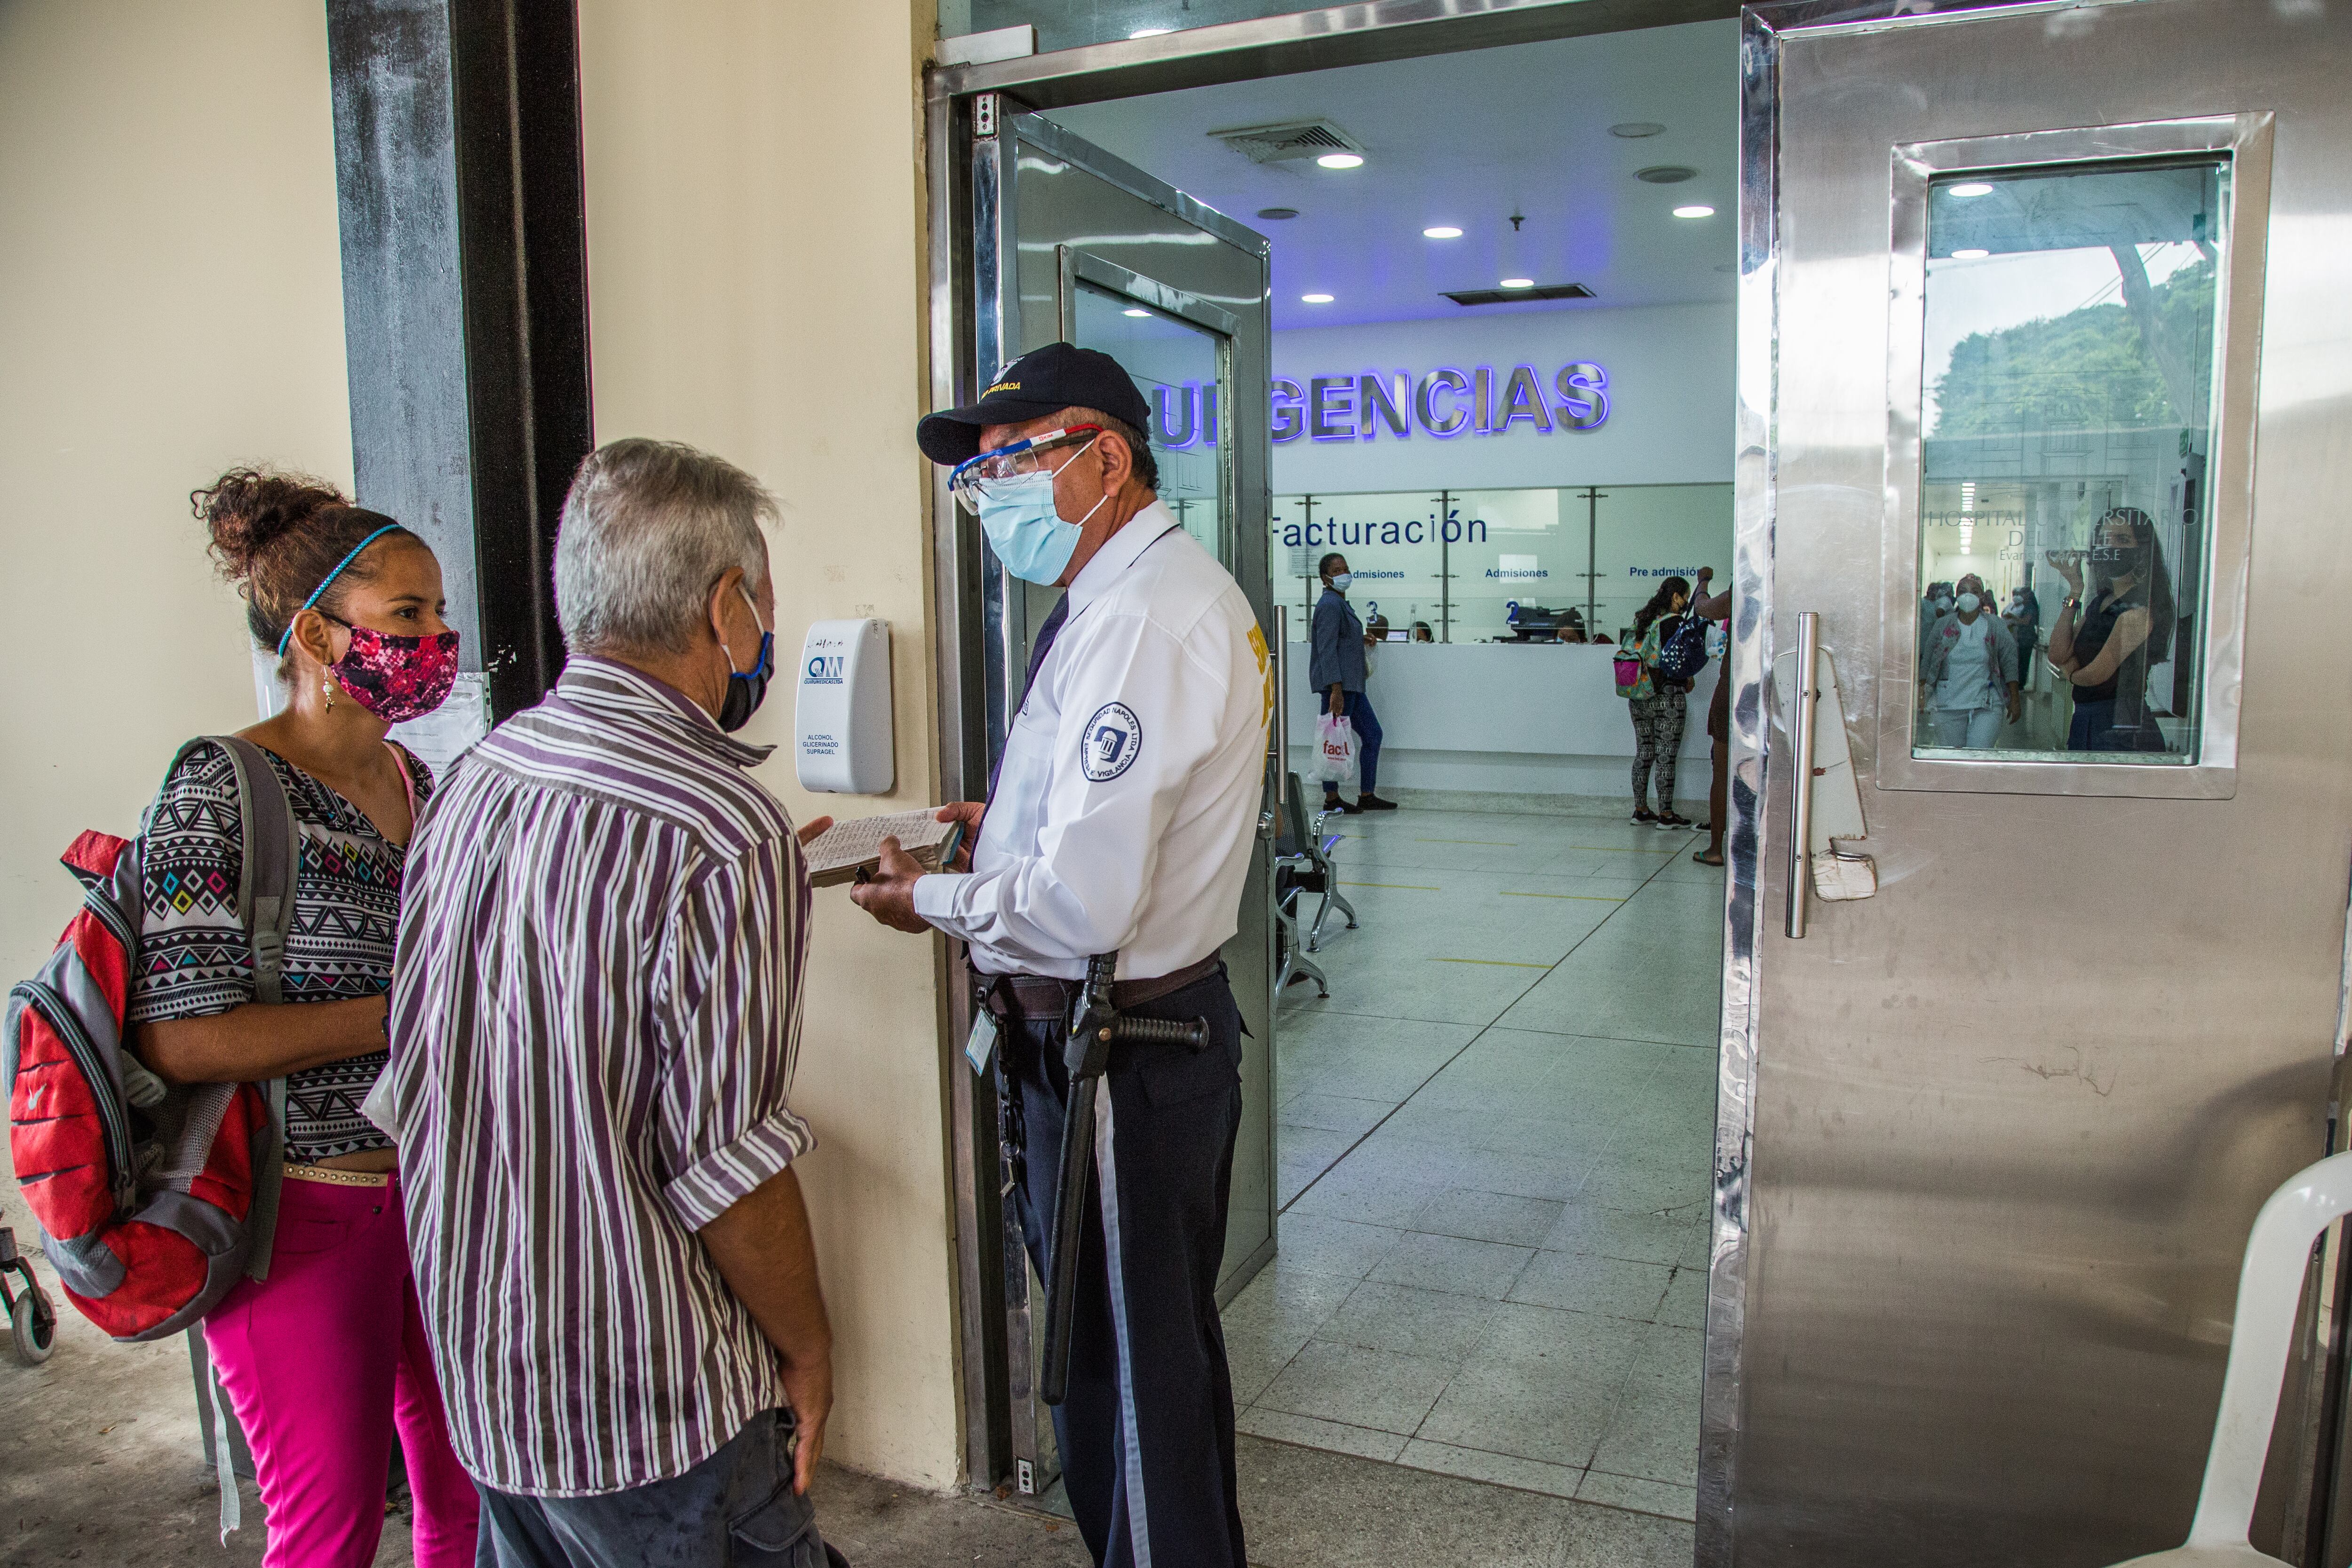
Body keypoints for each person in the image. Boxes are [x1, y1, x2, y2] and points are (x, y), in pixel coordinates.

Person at [384, 440, 849, 1568]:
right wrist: (810, 1348)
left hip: (490, 1384)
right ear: (727, 607)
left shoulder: (476, 774)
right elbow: (726, 1163)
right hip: (649, 1412)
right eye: (765, 602)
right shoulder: (721, 830)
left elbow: (431, 1066)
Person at [853, 341, 1264, 1568]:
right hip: (1115, 1040)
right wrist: (1002, 832)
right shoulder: (1120, 605)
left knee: (1129, 1386)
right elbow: (1103, 826)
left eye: (1015, 460)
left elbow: (1086, 904)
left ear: (1108, 456)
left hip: (1121, 1055)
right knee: (1141, 1365)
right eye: (977, 477)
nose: (993, 496)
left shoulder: (1144, 619)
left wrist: (929, 894)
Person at [130, 469, 477, 1568]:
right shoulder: (221, 787)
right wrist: (404, 1014)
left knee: (471, 1503)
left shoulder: (420, 781)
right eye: (406, 614)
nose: (437, 636)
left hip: (433, 1192)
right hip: (297, 1215)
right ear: (316, 634)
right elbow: (182, 1037)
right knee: (325, 1531)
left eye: (437, 611)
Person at [2045, 505, 2177, 752]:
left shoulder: (2138, 610)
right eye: (2105, 539)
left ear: (2141, 550)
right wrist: (2075, 590)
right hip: (2087, 718)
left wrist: (2070, 674)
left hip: (2121, 726)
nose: (2111, 547)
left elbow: (2096, 676)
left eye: (2123, 539)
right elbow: (2057, 653)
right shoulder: (2102, 601)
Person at [1309, 552, 1396, 814]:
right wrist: (1335, 688)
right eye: (1336, 570)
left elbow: (1340, 640)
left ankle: (1367, 794)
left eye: (1345, 568)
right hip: (1341, 687)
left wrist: (1361, 639)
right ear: (1325, 578)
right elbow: (1326, 648)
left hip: (1353, 685)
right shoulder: (1329, 605)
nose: (1343, 573)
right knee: (1333, 740)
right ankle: (1331, 798)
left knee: (1372, 735)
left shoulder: (1340, 604)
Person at [1625, 576, 1696, 828]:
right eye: (1685, 596)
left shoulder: (1644, 619)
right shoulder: (1675, 622)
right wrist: (1688, 678)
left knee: (1644, 752)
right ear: (1676, 596)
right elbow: (1681, 660)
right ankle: (1666, 815)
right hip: (1668, 697)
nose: (1686, 601)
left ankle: (1641, 810)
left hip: (1639, 696)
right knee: (1666, 756)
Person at [1918, 581, 2021, 747]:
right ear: (1956, 596)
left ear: (1982, 596)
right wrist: (1922, 692)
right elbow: (1928, 660)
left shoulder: (1995, 625)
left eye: (1974, 591)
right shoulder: (1943, 625)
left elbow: (2010, 661)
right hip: (1949, 702)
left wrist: (2015, 699)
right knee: (1953, 757)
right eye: (1963, 591)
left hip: (1987, 702)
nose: (1968, 595)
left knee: (1978, 755)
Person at [1690, 566, 1732, 866]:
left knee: (1723, 773)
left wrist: (1702, 581)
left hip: (1735, 691)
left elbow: (1704, 609)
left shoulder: (1747, 586)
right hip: (1780, 689)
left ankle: (1716, 848)